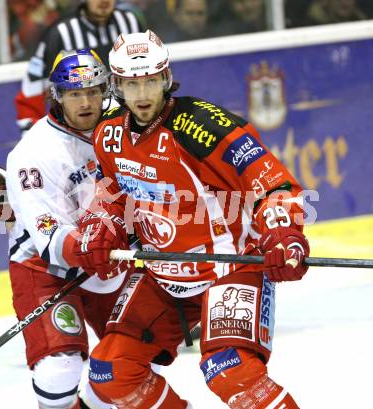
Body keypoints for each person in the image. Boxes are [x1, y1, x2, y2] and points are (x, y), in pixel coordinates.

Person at [73, 30, 310, 408]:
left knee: (228, 369)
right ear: (116, 86)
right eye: (132, 84)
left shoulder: (202, 126)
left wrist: (283, 229)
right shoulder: (107, 133)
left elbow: (271, 181)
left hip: (229, 267)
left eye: (151, 80)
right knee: (110, 370)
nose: (143, 94)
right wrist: (102, 225)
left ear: (165, 77)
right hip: (163, 271)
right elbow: (113, 192)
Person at [0, 49, 132, 409]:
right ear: (57, 96)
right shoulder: (35, 152)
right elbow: (46, 230)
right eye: (74, 93)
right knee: (59, 369)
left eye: (93, 91)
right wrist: (85, 247)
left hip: (109, 260)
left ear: (107, 89)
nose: (85, 102)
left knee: (126, 365)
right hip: (44, 264)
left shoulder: (127, 127)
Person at [15, 0, 145, 137]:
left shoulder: (131, 22)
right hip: (76, 136)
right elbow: (33, 87)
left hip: (129, 128)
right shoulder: (61, 33)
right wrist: (30, 134)